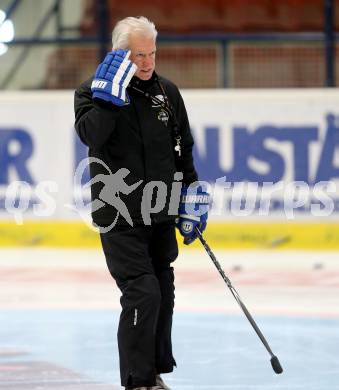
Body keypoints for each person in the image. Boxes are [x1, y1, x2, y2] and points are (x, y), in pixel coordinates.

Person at [74, 16, 209, 390]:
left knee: (163, 289)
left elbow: (183, 151)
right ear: (119, 55)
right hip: (118, 214)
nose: (147, 62)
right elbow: (91, 137)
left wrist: (191, 196)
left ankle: (154, 371)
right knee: (143, 291)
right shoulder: (91, 93)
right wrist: (108, 100)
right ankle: (137, 380)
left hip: (161, 211)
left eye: (152, 53)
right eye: (138, 55)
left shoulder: (168, 92)